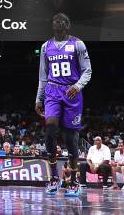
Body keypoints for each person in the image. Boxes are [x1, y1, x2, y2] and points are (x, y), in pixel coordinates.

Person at [35, 13, 92, 197]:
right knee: (50, 129)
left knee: (70, 140)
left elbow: (87, 70)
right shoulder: (46, 47)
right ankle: (53, 178)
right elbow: (43, 76)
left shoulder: (78, 44)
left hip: (72, 92)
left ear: (67, 25)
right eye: (54, 21)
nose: (57, 23)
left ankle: (73, 181)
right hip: (52, 91)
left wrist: (77, 85)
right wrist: (39, 98)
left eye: (61, 21)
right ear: (52, 25)